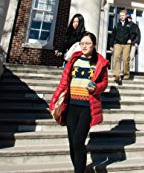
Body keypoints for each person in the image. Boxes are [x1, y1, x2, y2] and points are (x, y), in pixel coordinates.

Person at [49, 32, 109, 173]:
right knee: (72, 143)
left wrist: (95, 88)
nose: (84, 46)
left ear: (94, 45)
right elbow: (64, 83)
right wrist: (54, 101)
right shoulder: (73, 60)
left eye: (87, 43)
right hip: (71, 105)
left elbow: (104, 83)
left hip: (87, 106)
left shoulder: (100, 62)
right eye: (82, 43)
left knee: (78, 141)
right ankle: (78, 168)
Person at [110, 9, 135, 83]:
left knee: (125, 59)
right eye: (120, 15)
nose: (121, 17)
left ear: (126, 15)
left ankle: (126, 74)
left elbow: (134, 33)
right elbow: (113, 35)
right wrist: (111, 45)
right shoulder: (117, 25)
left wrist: (131, 39)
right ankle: (116, 75)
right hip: (118, 43)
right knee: (116, 58)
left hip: (126, 44)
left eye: (123, 15)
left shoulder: (130, 24)